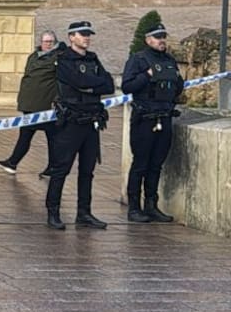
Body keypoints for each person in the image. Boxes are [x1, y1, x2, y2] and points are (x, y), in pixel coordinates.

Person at [44, 20, 115, 231]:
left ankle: (84, 213)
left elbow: (109, 84)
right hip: (71, 122)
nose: (87, 37)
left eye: (88, 34)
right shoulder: (64, 59)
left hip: (91, 121)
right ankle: (53, 212)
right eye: (82, 34)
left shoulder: (93, 59)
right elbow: (78, 82)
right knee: (61, 169)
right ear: (71, 37)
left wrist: (89, 86)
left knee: (87, 171)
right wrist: (93, 85)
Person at [122, 21, 183, 223]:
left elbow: (178, 86)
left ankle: (151, 205)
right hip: (144, 119)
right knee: (140, 164)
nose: (162, 40)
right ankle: (133, 207)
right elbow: (127, 86)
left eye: (163, 36)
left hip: (164, 116)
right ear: (148, 40)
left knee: (156, 164)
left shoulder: (170, 60)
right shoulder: (138, 59)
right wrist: (147, 76)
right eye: (158, 37)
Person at [0, 30, 61, 176]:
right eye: (45, 41)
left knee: (52, 136)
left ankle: (52, 167)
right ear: (41, 42)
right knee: (27, 134)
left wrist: (56, 101)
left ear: (55, 42)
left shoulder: (59, 57)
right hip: (30, 104)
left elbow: (61, 81)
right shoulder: (33, 56)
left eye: (50, 41)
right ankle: (13, 162)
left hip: (46, 105)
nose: (48, 44)